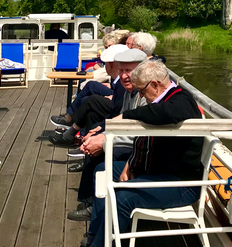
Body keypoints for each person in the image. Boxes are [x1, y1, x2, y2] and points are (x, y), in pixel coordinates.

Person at [84, 59, 204, 247]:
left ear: (155, 85)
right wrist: (131, 163)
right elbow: (145, 140)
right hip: (155, 172)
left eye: (141, 90)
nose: (140, 95)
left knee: (122, 196)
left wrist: (126, 115)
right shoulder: (162, 99)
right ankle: (96, 235)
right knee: (103, 171)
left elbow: (167, 113)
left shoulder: (182, 99)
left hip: (180, 183)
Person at [66, 51, 148, 221]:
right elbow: (124, 120)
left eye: (129, 71)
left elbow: (140, 132)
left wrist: (104, 141)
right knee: (95, 138)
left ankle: (94, 206)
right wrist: (100, 134)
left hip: (142, 146)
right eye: (121, 71)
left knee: (104, 152)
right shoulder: (130, 91)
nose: (124, 76)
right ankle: (90, 200)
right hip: (134, 140)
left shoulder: (146, 95)